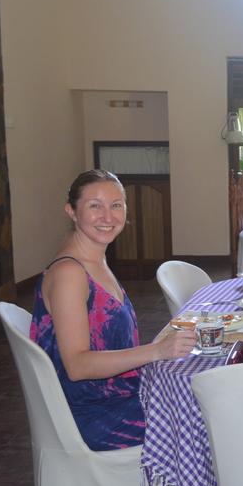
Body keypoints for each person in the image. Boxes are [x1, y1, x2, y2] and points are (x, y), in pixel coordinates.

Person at [30, 169, 196, 451]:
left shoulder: (96, 261)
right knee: (209, 418)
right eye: (95, 206)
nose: (108, 217)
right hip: (95, 414)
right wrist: (157, 351)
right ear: (72, 211)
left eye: (116, 205)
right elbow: (78, 366)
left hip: (121, 395)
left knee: (206, 394)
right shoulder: (70, 273)